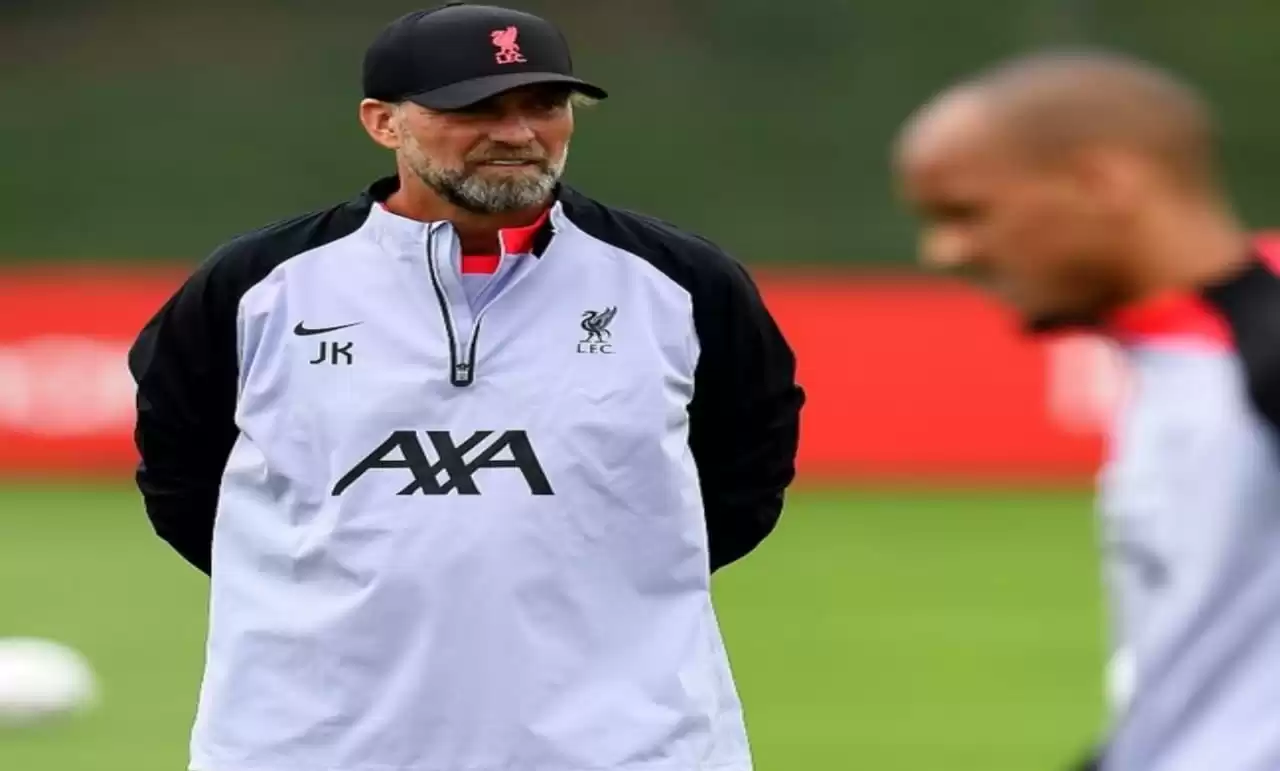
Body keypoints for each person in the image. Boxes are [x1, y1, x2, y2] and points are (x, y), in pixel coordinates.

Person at [127, 4, 804, 771]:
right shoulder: (257, 286)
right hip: (313, 744)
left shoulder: (682, 284)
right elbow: (185, 482)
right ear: (383, 122)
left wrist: (608, 574)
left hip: (623, 747)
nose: (517, 133)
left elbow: (745, 477)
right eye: (475, 108)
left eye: (544, 104)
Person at [893, 50, 1280, 771]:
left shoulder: (1262, 358)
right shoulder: (1170, 359)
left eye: (968, 213)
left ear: (1104, 182)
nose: (944, 251)